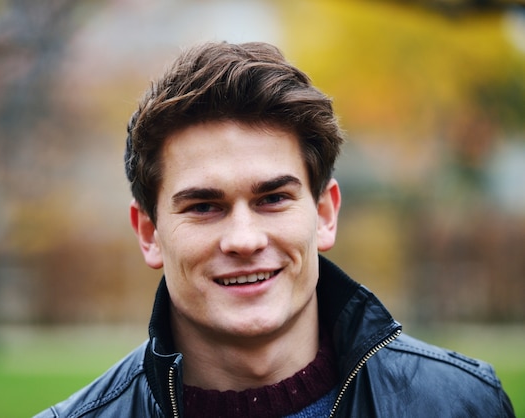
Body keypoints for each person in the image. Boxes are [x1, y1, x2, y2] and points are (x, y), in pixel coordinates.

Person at [35, 41, 514, 418]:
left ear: (325, 214)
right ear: (149, 233)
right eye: (204, 206)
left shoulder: (462, 404)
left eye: (273, 199)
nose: (244, 239)